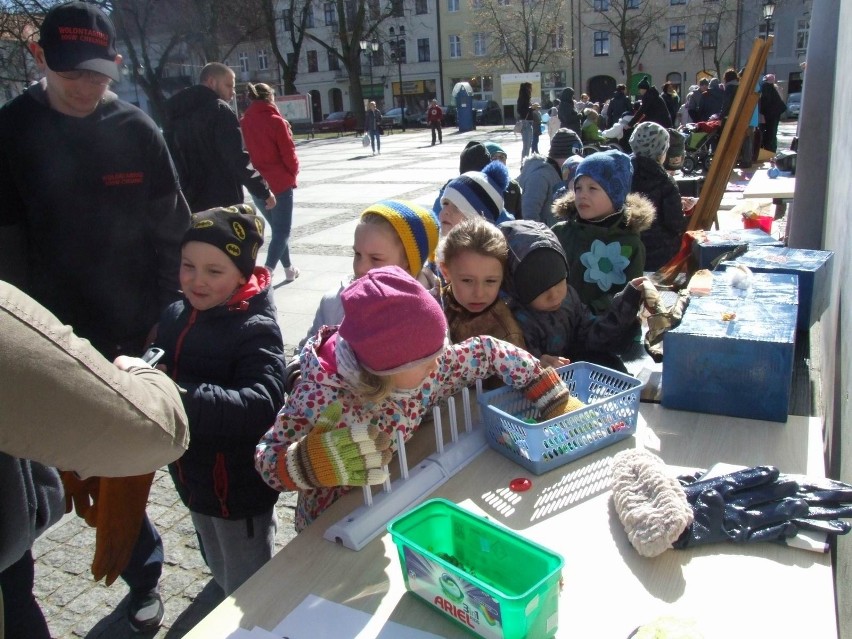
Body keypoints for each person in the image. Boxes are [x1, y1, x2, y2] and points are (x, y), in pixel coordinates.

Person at [0, 2, 191, 632]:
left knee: (118, 474)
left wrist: (165, 319)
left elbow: (174, 233)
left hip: (125, 335)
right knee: (24, 481)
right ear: (41, 61)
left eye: (99, 74)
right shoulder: (11, 132)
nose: (86, 87)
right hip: (42, 338)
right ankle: (15, 590)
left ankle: (145, 576)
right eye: (71, 73)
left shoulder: (137, 130)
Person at [255, 265, 581, 531]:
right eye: (427, 361)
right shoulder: (317, 397)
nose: (439, 364)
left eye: (439, 351)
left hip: (393, 499)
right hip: (332, 524)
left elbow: (488, 351)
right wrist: (310, 461)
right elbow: (268, 460)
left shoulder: (426, 370)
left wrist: (551, 396)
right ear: (384, 369)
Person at [0, 281, 190, 639]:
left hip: (104, 341)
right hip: (61, 351)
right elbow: (160, 429)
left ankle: (145, 576)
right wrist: (144, 375)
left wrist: (163, 318)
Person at [151, 205, 285, 596]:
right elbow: (160, 358)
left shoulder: (255, 328)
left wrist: (178, 396)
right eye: (188, 265)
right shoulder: (176, 313)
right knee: (213, 549)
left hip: (238, 487)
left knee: (248, 580)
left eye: (214, 271)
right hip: (193, 476)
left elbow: (261, 404)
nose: (197, 280)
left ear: (242, 275)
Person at [499, 219, 649, 371]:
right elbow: (510, 367)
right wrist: (537, 363)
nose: (554, 295)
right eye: (539, 290)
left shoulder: (569, 299)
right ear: (515, 286)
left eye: (559, 281)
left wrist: (629, 299)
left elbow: (595, 335)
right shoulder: (513, 320)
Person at [297, 200, 440, 354]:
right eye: (357, 254)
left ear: (408, 263)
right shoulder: (334, 303)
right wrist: (296, 374)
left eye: (376, 259)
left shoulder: (428, 314)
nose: (360, 267)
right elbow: (306, 350)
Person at [551, 149, 655, 314]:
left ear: (615, 195)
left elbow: (630, 295)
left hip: (606, 329)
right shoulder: (561, 233)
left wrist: (590, 311)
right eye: (578, 188)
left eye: (592, 188)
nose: (582, 195)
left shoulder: (629, 243)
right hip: (559, 321)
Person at [164, 62, 274, 213]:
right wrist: (263, 190)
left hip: (188, 202)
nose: (233, 92)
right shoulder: (220, 110)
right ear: (211, 82)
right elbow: (237, 157)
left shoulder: (174, 113)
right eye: (229, 86)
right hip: (222, 201)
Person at [241, 82, 301, 282]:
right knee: (282, 231)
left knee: (277, 230)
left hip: (258, 183)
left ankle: (289, 269)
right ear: (270, 98)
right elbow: (289, 154)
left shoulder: (245, 122)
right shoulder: (276, 121)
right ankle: (266, 273)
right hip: (280, 182)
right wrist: (292, 174)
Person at [438, 217, 524, 351]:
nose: (479, 293)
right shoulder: (435, 302)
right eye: (467, 280)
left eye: (490, 281)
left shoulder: (505, 337)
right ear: (446, 271)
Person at [627, 122, 687, 272]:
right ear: (661, 152)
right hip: (660, 255)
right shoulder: (664, 180)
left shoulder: (623, 172)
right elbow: (675, 223)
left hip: (627, 250)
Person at [517, 128, 582, 225]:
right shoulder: (539, 176)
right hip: (544, 235)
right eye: (570, 160)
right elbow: (529, 215)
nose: (573, 167)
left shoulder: (561, 172)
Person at [483, 141, 523, 218]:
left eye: (502, 157)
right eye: (494, 158)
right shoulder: (480, 184)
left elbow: (520, 216)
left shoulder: (513, 186)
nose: (499, 161)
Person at [759, 74, 787, 152]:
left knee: (769, 133)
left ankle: (769, 150)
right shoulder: (776, 88)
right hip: (775, 112)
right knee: (772, 132)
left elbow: (765, 101)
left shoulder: (765, 87)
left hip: (770, 113)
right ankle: (771, 150)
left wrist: (762, 113)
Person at [516, 82, 533, 158]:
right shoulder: (524, 98)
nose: (531, 89)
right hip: (526, 123)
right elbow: (521, 110)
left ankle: (524, 162)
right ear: (527, 88)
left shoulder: (524, 98)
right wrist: (531, 108)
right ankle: (524, 163)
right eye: (530, 87)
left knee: (528, 145)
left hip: (527, 122)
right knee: (527, 145)